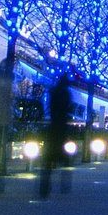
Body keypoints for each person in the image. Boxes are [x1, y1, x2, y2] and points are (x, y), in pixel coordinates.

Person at [40, 70, 73, 199]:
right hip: (62, 129)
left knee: (48, 160)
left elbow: (51, 108)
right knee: (65, 159)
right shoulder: (66, 93)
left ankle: (44, 187)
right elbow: (68, 109)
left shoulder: (54, 91)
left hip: (53, 128)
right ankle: (64, 185)